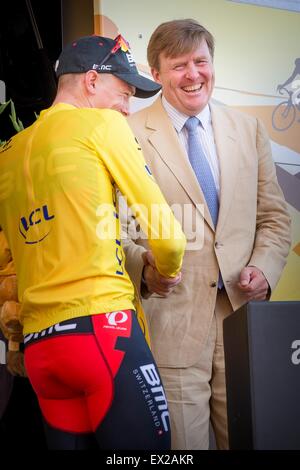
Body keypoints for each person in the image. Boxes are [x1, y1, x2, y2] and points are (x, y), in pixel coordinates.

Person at [0, 34, 186, 450]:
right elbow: (169, 236)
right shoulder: (102, 125)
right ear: (90, 81)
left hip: (42, 350)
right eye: (123, 93)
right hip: (104, 333)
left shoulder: (8, 153)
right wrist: (165, 271)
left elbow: (5, 263)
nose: (126, 107)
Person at [122, 19, 291, 450]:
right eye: (179, 65)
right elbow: (115, 231)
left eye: (201, 61)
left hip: (243, 322)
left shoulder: (248, 130)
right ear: (155, 73)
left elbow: (274, 218)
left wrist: (263, 269)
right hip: (170, 324)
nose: (194, 74)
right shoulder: (126, 134)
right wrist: (146, 270)